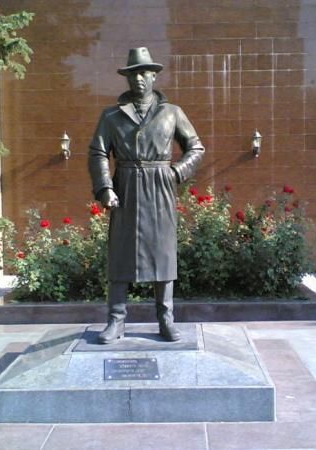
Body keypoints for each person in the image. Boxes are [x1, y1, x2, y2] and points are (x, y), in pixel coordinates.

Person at [88, 47, 205, 344]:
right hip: (125, 186)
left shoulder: (172, 113)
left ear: (154, 75)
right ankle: (116, 320)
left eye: (144, 73)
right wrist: (105, 188)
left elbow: (196, 147)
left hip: (159, 185)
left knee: (163, 253)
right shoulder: (112, 116)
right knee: (120, 254)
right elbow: (98, 152)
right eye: (133, 73)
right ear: (127, 78)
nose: (138, 78)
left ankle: (166, 319)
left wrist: (176, 173)